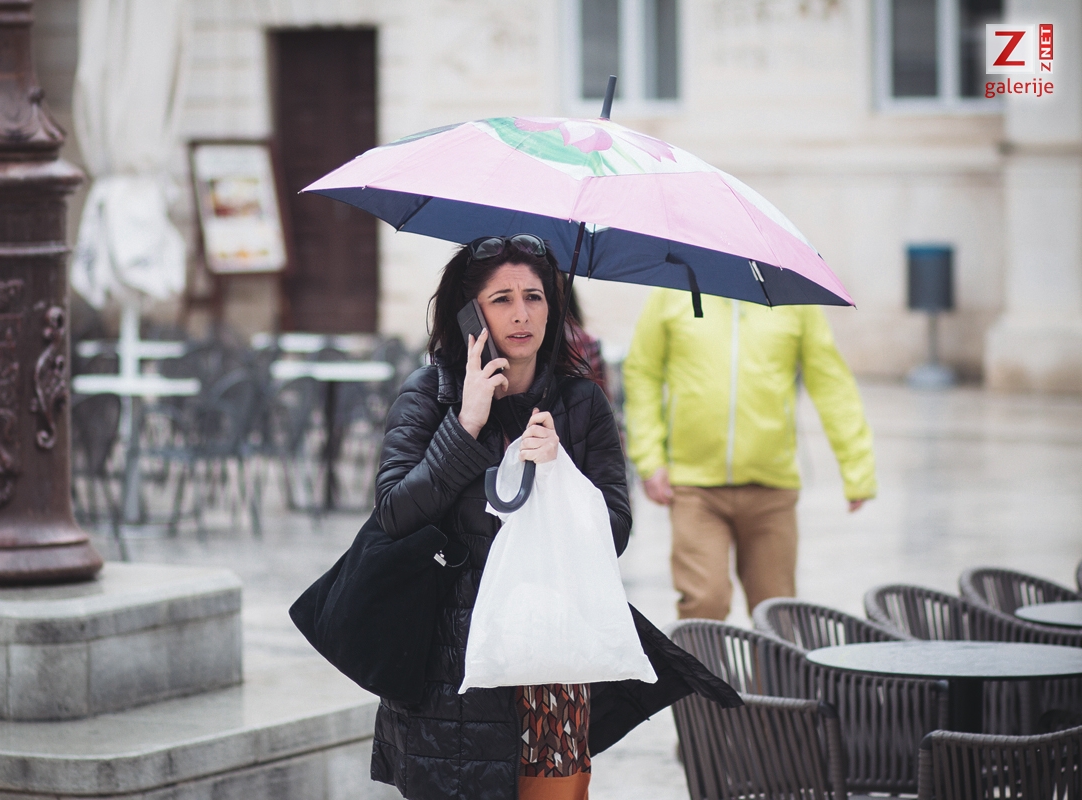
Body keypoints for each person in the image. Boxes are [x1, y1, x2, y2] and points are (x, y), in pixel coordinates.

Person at [369, 235, 737, 800]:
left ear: (553, 309)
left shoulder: (581, 403)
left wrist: (560, 473)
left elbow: (615, 532)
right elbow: (394, 514)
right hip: (447, 660)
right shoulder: (429, 395)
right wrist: (466, 425)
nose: (521, 314)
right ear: (470, 315)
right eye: (502, 300)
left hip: (551, 656)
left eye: (534, 297)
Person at [622, 289, 877, 621]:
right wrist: (649, 458)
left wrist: (857, 467)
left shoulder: (794, 297)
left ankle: (769, 660)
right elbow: (643, 371)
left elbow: (831, 382)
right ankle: (700, 660)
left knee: (777, 613)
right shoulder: (673, 291)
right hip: (694, 487)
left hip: (772, 487)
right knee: (704, 603)